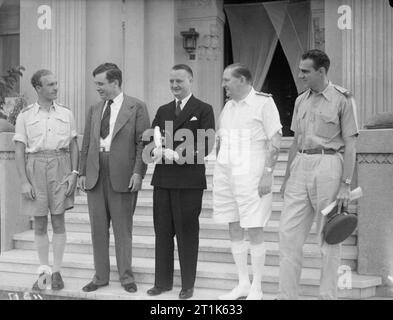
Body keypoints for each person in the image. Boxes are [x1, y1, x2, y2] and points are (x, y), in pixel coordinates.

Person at [278, 49, 359, 300]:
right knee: (288, 236)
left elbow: (351, 144)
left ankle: (327, 296)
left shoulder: (343, 99)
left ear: (321, 71)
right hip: (300, 165)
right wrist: (286, 177)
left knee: (329, 238)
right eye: (300, 69)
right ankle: (286, 296)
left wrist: (346, 184)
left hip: (328, 167)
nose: (300, 75)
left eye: (305, 71)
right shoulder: (300, 100)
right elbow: (294, 142)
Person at [79, 63, 150, 293]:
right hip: (95, 172)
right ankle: (100, 277)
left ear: (115, 82)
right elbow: (87, 143)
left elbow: (144, 143)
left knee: (122, 228)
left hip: (123, 174)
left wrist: (139, 172)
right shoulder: (94, 109)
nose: (97, 88)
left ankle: (126, 277)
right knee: (97, 228)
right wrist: (81, 172)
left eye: (100, 84)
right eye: (96, 84)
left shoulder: (136, 106)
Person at [213, 63, 282, 300]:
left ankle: (257, 287)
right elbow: (221, 140)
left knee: (254, 227)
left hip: (252, 173)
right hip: (227, 174)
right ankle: (243, 283)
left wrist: (268, 173)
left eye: (227, 80)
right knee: (233, 224)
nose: (223, 85)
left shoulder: (263, 103)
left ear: (242, 80)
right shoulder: (228, 108)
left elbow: (275, 140)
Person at [146, 64, 215, 300]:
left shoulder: (204, 109)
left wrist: (174, 154)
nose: (175, 85)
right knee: (162, 232)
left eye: (180, 81)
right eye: (172, 81)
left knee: (187, 234)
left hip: (189, 181)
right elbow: (152, 137)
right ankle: (162, 282)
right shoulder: (163, 109)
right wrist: (155, 150)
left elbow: (206, 145)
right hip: (163, 180)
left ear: (190, 81)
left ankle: (187, 284)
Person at [13, 69, 79, 291]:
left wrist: (74, 173)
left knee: (59, 221)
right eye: (50, 84)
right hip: (35, 166)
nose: (55, 88)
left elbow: (73, 145)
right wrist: (24, 181)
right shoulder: (25, 116)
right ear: (38, 88)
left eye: (56, 83)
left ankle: (57, 271)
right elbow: (19, 150)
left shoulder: (66, 113)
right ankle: (44, 272)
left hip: (60, 165)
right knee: (40, 223)